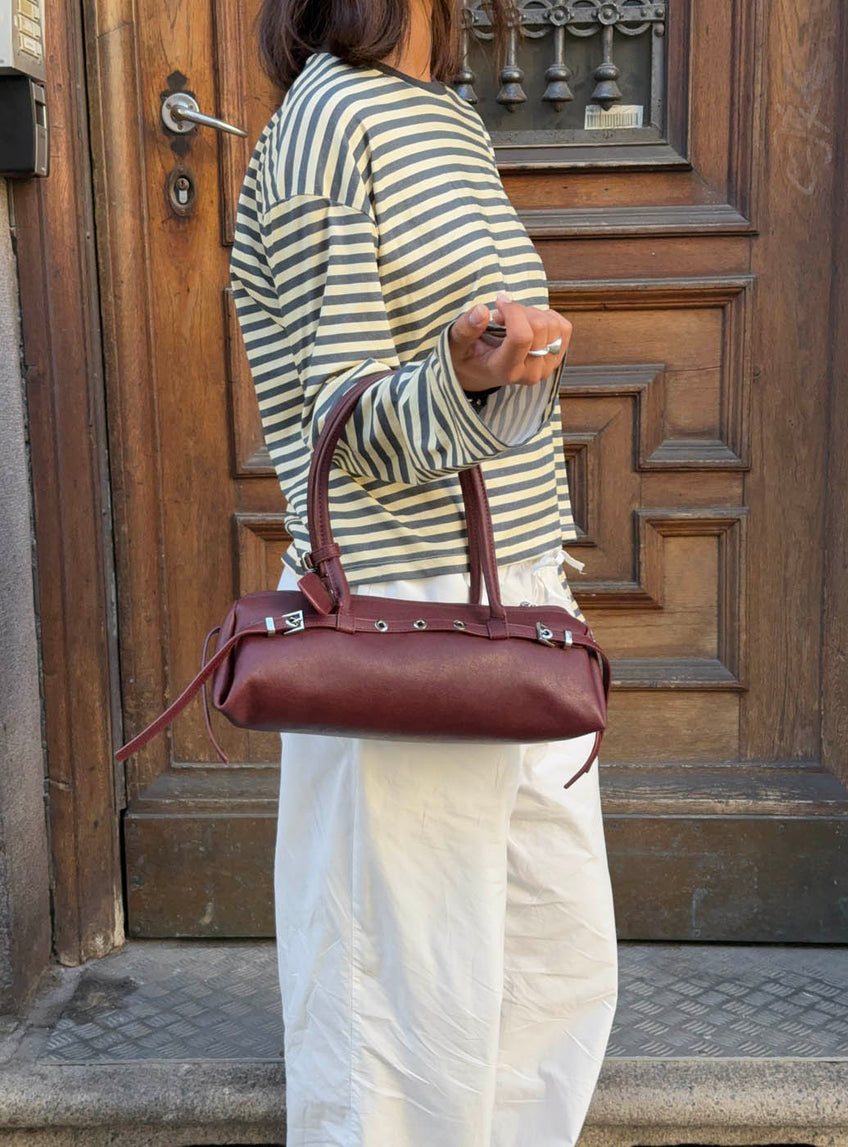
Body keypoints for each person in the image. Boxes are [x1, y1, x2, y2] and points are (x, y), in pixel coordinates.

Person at [228, 2, 618, 1143]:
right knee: (404, 1014)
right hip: (408, 622)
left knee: (545, 967)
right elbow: (334, 418)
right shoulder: (325, 123)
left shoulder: (440, 116)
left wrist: (496, 362)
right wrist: (468, 370)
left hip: (510, 606)